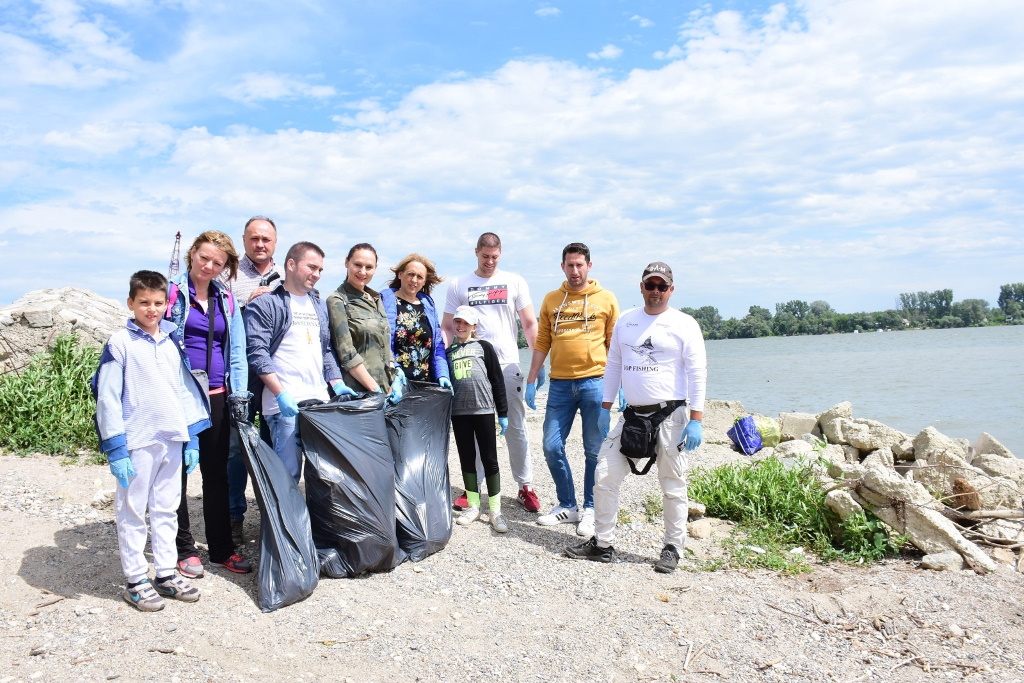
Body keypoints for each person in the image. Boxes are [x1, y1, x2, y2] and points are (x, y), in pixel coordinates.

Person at [565, 262, 706, 574]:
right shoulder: (627, 322)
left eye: (662, 286)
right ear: (641, 287)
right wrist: (605, 406)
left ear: (671, 289)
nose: (655, 291)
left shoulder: (684, 324)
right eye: (650, 285)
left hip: (672, 416)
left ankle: (673, 548)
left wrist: (696, 418)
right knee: (604, 475)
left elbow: (697, 373)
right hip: (632, 417)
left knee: (672, 484)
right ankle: (602, 544)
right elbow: (613, 363)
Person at [92, 270, 211, 611]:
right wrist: (116, 448)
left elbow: (184, 391)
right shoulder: (120, 343)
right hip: (138, 441)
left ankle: (165, 573)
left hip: (172, 438)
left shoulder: (171, 342)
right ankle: (134, 580)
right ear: (131, 303)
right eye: (143, 302)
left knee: (166, 508)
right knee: (131, 509)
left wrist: (192, 439)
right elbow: (108, 398)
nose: (151, 309)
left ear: (166, 304)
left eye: (158, 303)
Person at [167, 230, 253, 577]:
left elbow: (237, 352)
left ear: (225, 267)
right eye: (204, 258)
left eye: (217, 262)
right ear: (192, 255)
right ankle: (183, 549)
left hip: (216, 396)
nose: (209, 265)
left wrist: (239, 395)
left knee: (215, 476)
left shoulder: (226, 299)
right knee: (175, 476)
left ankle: (220, 550)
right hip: (178, 395)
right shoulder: (172, 293)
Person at [526, 243, 620, 537]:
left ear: (589, 266)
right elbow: (542, 341)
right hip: (560, 386)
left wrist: (622, 385)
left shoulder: (606, 299)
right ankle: (568, 504)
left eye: (580, 265)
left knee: (594, 449)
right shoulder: (552, 300)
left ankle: (590, 508)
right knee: (551, 445)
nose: (575, 270)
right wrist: (531, 379)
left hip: (595, 382)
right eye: (570, 265)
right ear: (562, 266)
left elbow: (614, 345)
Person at [442, 232, 540, 512]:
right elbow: (448, 327)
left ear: (501, 254)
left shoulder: (514, 281)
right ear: (476, 252)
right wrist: (442, 362)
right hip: (471, 365)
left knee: (515, 427)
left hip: (507, 363)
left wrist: (537, 362)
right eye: (485, 256)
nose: (489, 262)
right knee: (474, 429)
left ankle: (525, 486)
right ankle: (474, 487)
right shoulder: (460, 284)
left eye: (494, 257)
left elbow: (529, 323)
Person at [244, 241, 349, 482]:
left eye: (321, 270)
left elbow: (325, 349)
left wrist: (337, 382)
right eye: (312, 267)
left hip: (318, 402)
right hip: (284, 407)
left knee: (323, 475)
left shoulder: (318, 305)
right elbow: (258, 353)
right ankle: (284, 521)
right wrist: (280, 393)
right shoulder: (267, 303)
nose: (317, 274)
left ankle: (312, 521)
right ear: (291, 264)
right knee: (287, 474)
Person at [221, 216, 282, 547]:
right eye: (254, 238)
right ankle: (234, 516)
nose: (260, 244)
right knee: (236, 448)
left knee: (275, 446)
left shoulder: (287, 277)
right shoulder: (228, 275)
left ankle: (272, 515)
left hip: (275, 377)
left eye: (267, 239)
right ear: (244, 240)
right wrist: (248, 304)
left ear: (276, 242)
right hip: (240, 375)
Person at [447, 306, 510, 533]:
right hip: (459, 414)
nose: (461, 326)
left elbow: (497, 379)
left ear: (474, 327)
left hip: (483, 411)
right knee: (467, 459)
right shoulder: (449, 351)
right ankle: (473, 506)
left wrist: (502, 413)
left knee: (490, 459)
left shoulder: (484, 347)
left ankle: (495, 510)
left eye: (465, 323)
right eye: (457, 322)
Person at [327, 243, 405, 402]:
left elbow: (384, 344)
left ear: (375, 269)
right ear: (346, 262)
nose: (363, 272)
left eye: (369, 267)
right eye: (357, 265)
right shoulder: (337, 301)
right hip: (360, 395)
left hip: (385, 390)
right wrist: (374, 390)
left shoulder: (376, 300)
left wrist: (395, 376)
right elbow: (346, 353)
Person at [379, 253, 452, 389]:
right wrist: (394, 370)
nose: (414, 280)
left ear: (424, 281)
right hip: (395, 382)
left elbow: (438, 346)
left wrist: (443, 375)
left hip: (426, 385)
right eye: (410, 274)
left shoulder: (428, 304)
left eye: (419, 277)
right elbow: (380, 343)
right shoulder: (385, 300)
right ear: (400, 274)